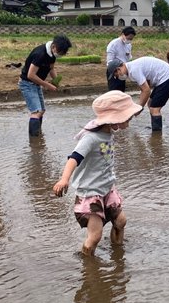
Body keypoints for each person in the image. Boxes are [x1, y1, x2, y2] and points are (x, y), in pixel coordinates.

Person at [53, 91, 142, 256]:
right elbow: (74, 158)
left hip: (107, 187)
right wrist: (64, 179)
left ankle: (118, 255)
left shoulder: (108, 132)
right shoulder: (90, 138)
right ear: (114, 118)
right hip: (90, 192)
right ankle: (88, 266)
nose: (130, 119)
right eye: (127, 117)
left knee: (121, 221)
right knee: (95, 236)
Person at [18, 35, 73, 136]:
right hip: (27, 83)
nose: (60, 55)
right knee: (36, 111)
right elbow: (31, 75)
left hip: (36, 84)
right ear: (54, 47)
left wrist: (56, 81)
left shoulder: (52, 55)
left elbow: (51, 69)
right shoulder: (40, 54)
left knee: (42, 110)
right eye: (60, 53)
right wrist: (47, 85)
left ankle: (38, 135)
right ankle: (34, 141)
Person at [106, 56, 169, 132]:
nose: (118, 77)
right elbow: (145, 87)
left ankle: (157, 137)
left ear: (118, 69)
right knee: (150, 103)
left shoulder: (133, 70)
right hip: (166, 78)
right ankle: (155, 127)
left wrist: (139, 108)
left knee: (154, 109)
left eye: (116, 74)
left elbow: (146, 91)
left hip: (167, 78)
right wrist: (138, 106)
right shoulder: (131, 68)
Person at [105, 27, 136, 91]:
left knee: (121, 90)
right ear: (123, 34)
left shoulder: (128, 45)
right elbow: (109, 61)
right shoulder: (113, 44)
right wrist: (116, 71)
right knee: (114, 91)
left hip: (123, 70)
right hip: (114, 70)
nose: (129, 40)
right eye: (128, 38)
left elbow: (129, 58)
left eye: (131, 39)